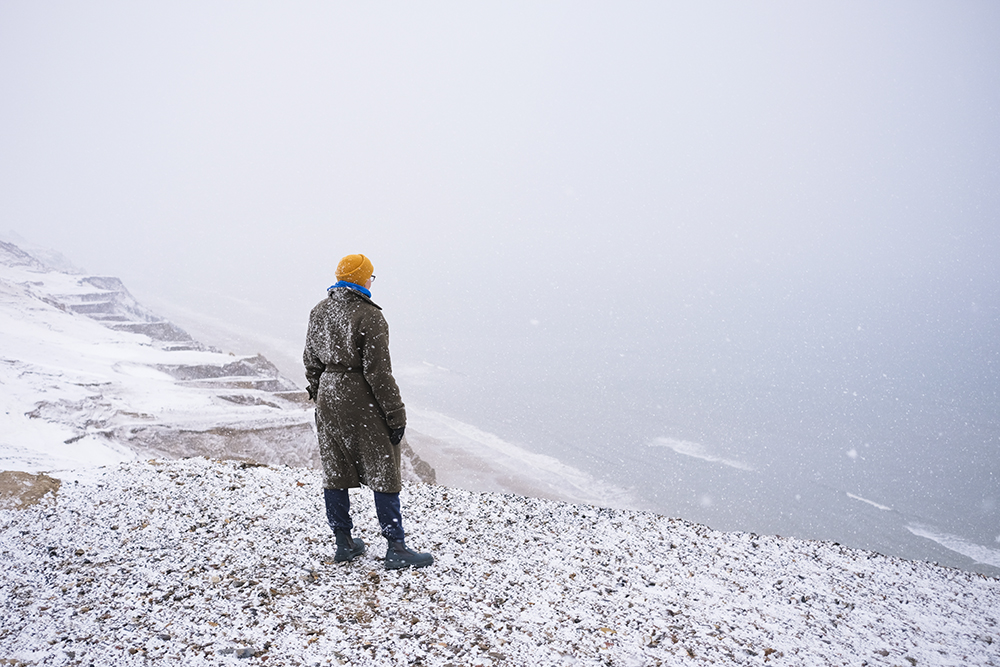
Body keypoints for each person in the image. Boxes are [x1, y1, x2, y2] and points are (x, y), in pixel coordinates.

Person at [303, 253, 433, 570]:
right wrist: (395, 414)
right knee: (383, 468)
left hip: (329, 397)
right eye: (370, 277)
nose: (371, 282)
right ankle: (396, 547)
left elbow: (310, 361)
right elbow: (378, 374)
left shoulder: (319, 311)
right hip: (361, 398)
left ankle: (344, 543)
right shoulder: (370, 316)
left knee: (335, 471)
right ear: (363, 279)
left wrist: (320, 393)